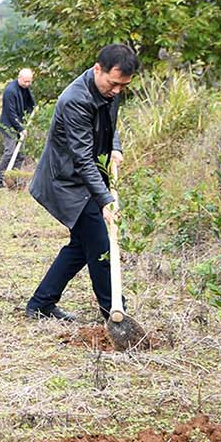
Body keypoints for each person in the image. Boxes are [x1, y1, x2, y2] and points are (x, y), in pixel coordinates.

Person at [23, 46, 135, 322]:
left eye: (123, 86)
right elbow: (83, 159)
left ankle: (41, 303)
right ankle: (115, 314)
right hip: (67, 182)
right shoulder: (76, 100)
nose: (118, 91)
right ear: (98, 69)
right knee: (100, 247)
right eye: (114, 83)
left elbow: (110, 125)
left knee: (81, 246)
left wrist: (115, 147)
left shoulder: (108, 90)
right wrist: (105, 200)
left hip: (85, 181)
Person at [0, 67, 37, 188]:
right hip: (9, 126)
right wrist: (21, 129)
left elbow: (30, 103)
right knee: (10, 152)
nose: (28, 84)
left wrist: (34, 109)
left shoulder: (25, 88)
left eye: (30, 81)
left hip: (20, 124)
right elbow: (11, 113)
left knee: (20, 154)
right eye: (25, 81)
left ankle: (13, 177)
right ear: (19, 78)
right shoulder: (10, 91)